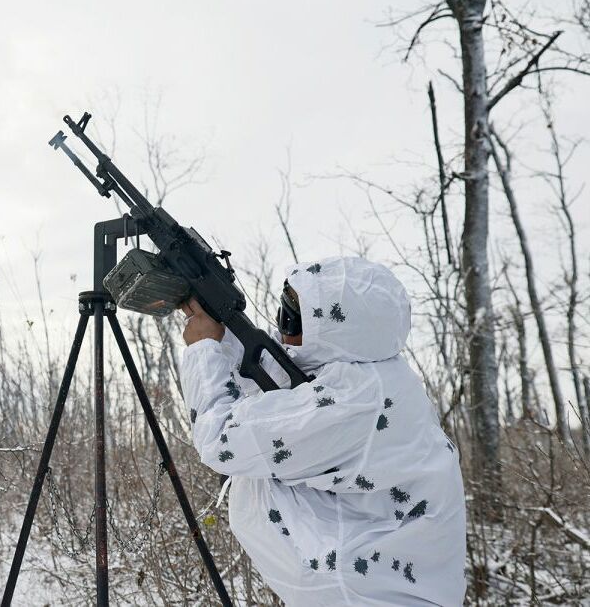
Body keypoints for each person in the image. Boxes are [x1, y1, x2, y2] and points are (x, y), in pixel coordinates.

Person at [179, 256, 466, 606]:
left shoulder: (352, 400)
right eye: (282, 311)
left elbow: (221, 439)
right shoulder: (371, 372)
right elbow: (284, 388)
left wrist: (202, 350)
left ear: (335, 327)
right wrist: (224, 331)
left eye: (294, 318)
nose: (284, 329)